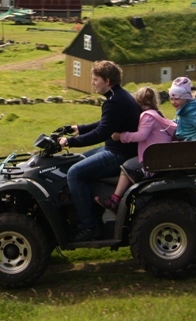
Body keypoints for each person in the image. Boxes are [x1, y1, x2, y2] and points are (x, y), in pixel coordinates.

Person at [57, 60, 141, 242]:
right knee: (75, 161)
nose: (92, 82)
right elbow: (105, 123)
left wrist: (69, 141)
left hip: (118, 154)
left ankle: (89, 227)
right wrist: (80, 128)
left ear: (107, 80)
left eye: (95, 79)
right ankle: (91, 211)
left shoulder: (114, 102)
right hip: (114, 148)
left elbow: (101, 132)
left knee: (74, 173)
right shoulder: (118, 96)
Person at [95, 87, 176, 212]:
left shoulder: (147, 116)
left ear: (138, 101)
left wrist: (121, 136)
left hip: (153, 157)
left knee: (126, 166)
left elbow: (141, 135)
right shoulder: (157, 113)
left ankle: (115, 200)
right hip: (160, 154)